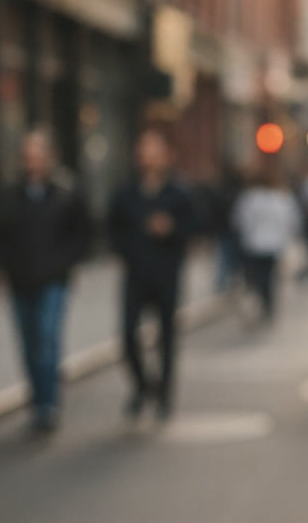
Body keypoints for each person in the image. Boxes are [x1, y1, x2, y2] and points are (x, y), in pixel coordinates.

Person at [0, 129, 90, 434]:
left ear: (50, 157)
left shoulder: (65, 191)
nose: (32, 162)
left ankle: (49, 404)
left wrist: (65, 264)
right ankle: (37, 399)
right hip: (20, 279)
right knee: (27, 343)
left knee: (47, 338)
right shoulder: (11, 194)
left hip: (53, 279)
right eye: (28, 156)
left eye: (37, 155)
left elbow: (81, 233)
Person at [108, 125, 197, 420]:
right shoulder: (126, 192)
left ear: (166, 156)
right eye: (144, 151)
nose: (148, 157)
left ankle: (165, 396)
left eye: (154, 151)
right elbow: (113, 230)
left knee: (166, 337)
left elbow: (195, 227)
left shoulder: (178, 193)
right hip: (135, 274)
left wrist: (170, 228)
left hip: (166, 274)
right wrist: (128, 250)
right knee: (128, 335)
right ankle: (143, 386)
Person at [230, 157, 301, 323]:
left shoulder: (250, 198)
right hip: (272, 245)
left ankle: (264, 301)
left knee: (257, 275)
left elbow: (239, 220)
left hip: (254, 244)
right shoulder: (281, 198)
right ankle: (267, 302)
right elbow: (292, 221)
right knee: (267, 276)